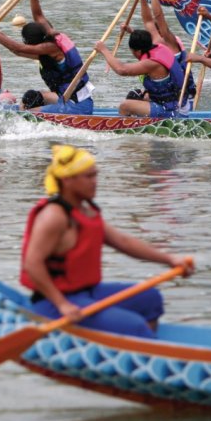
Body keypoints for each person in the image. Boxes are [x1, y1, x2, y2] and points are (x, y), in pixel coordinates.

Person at [20, 144, 193, 337]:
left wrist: (170, 259)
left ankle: (142, 345)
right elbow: (32, 264)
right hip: (53, 303)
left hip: (88, 293)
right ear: (67, 180)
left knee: (150, 299)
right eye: (89, 177)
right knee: (133, 325)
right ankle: (142, 347)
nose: (95, 182)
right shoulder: (54, 216)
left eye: (96, 175)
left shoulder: (86, 210)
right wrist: (62, 304)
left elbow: (123, 242)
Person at [0, 0, 94, 114]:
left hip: (77, 105)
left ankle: (20, 114)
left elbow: (18, 48)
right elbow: (38, 16)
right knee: (32, 97)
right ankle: (1, 110)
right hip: (65, 98)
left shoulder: (51, 47)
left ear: (34, 43)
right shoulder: (49, 33)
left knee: (29, 114)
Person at [94, 28, 187, 117]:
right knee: (134, 95)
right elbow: (145, 41)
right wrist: (132, 32)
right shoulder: (160, 47)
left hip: (171, 110)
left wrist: (103, 50)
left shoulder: (151, 63)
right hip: (174, 103)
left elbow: (122, 70)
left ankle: (123, 130)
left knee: (125, 106)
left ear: (138, 51)